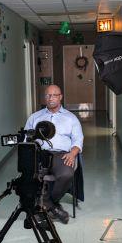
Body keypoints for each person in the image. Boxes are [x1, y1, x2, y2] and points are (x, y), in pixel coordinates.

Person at [25, 85, 84, 224]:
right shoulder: (35, 117)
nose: (51, 98)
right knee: (31, 175)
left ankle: (44, 205)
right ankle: (53, 208)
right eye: (48, 95)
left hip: (61, 154)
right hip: (39, 154)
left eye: (54, 95)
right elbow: (25, 138)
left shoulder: (71, 118)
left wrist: (73, 153)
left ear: (60, 97)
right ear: (45, 97)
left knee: (66, 174)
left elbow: (78, 139)